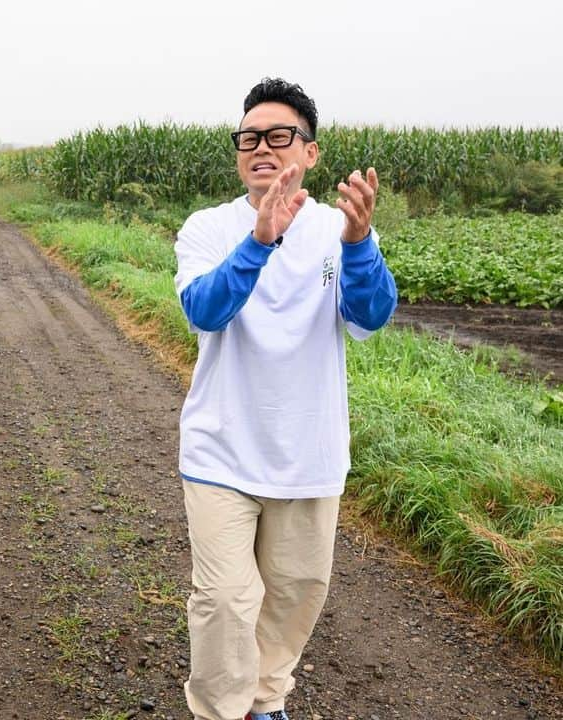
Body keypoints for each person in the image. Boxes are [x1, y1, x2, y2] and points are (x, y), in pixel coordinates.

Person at [173, 78, 398, 720]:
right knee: (223, 599)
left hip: (309, 450)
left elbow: (371, 316)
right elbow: (206, 311)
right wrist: (259, 241)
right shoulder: (209, 228)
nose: (262, 148)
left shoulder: (339, 229)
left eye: (280, 136)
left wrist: (358, 246)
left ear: (312, 152)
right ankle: (221, 710)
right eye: (250, 137)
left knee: (297, 591)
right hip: (222, 447)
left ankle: (265, 703)